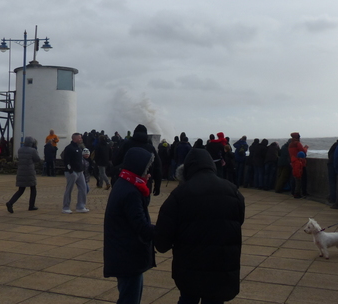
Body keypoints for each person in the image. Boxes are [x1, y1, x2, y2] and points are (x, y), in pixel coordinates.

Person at [155, 149, 245, 304]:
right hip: (221, 265)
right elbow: (238, 220)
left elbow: (162, 239)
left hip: (190, 267)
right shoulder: (233, 191)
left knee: (188, 298)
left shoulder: (179, 194)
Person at [104, 147, 156, 304]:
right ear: (138, 168)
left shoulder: (125, 183)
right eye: (146, 169)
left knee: (128, 295)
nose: (149, 173)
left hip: (123, 252)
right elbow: (141, 226)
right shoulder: (131, 192)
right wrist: (166, 230)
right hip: (128, 256)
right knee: (130, 299)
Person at [113, 124, 162, 203]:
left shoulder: (126, 144)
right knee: (141, 209)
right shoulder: (150, 148)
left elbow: (115, 161)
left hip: (126, 183)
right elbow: (158, 167)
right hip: (145, 185)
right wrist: (157, 185)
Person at [5, 136, 41, 213]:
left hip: (21, 171)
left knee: (21, 190)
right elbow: (37, 159)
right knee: (33, 189)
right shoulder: (33, 150)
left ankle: (10, 202)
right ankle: (31, 205)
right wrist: (35, 149)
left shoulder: (20, 150)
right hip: (29, 172)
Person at [62, 132, 89, 213]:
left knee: (83, 188)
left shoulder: (79, 148)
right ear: (75, 139)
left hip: (80, 172)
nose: (81, 139)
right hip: (72, 172)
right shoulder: (69, 148)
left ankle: (80, 206)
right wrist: (70, 170)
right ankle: (65, 207)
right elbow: (66, 160)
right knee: (69, 189)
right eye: (79, 138)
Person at [327, 137, 338, 204]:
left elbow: (329, 152)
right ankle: (334, 198)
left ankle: (332, 197)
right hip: (337, 166)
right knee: (336, 183)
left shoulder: (335, 144)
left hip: (331, 164)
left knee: (332, 182)